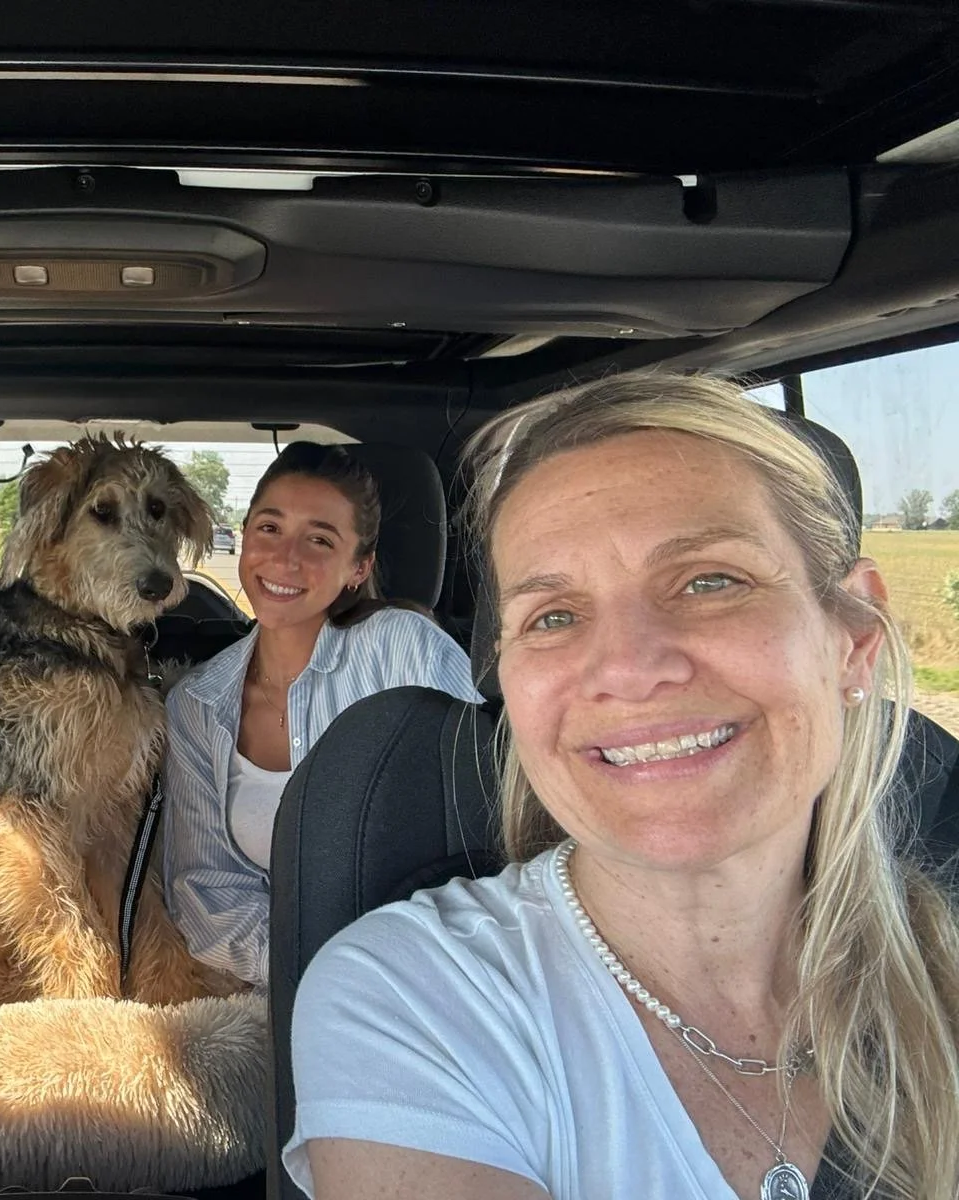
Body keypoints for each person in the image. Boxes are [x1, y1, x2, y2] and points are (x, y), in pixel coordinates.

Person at [284, 373, 959, 1199]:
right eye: (555, 616)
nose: (632, 670)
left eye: (711, 581)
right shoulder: (413, 998)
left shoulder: (939, 968)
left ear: (854, 637)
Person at [162, 441, 480, 988]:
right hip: (285, 985)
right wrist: (316, 979)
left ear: (359, 568)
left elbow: (486, 837)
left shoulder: (406, 651)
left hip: (438, 979)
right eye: (269, 528)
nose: (286, 559)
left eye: (319, 540)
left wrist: (391, 979)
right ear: (242, 538)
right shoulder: (197, 704)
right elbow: (208, 891)